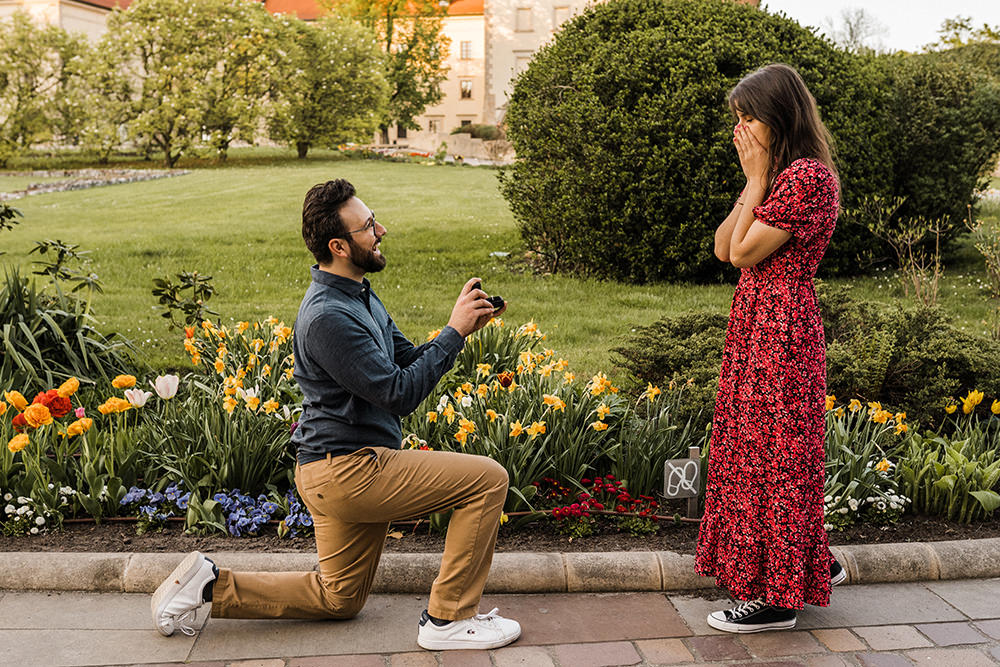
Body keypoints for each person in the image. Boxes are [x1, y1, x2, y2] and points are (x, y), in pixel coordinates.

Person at [150, 179, 522, 651]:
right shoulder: (328, 316)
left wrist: (461, 329)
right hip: (351, 468)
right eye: (369, 226)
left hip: (335, 468)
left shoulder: (357, 295)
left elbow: (403, 361)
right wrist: (452, 332)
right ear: (339, 246)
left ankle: (208, 585)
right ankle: (448, 620)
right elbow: (398, 393)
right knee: (487, 479)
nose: (381, 230)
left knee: (339, 598)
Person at [694, 63, 845, 633]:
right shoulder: (780, 176)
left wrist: (755, 180)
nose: (741, 130)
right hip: (757, 327)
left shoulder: (805, 178)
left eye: (749, 117)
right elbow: (721, 246)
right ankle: (804, 564)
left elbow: (743, 253)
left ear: (779, 117)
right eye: (737, 117)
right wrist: (755, 181)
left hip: (782, 330)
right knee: (752, 449)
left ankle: (778, 596)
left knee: (775, 455)